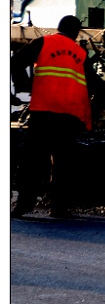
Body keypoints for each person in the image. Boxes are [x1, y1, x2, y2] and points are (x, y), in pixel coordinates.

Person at [10, 15, 94, 218]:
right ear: (76, 32)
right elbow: (92, 83)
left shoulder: (43, 42)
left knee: (33, 159)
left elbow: (16, 61)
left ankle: (23, 205)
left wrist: (22, 87)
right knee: (63, 161)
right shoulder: (81, 53)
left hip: (43, 110)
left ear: (59, 28)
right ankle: (59, 207)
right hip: (68, 115)